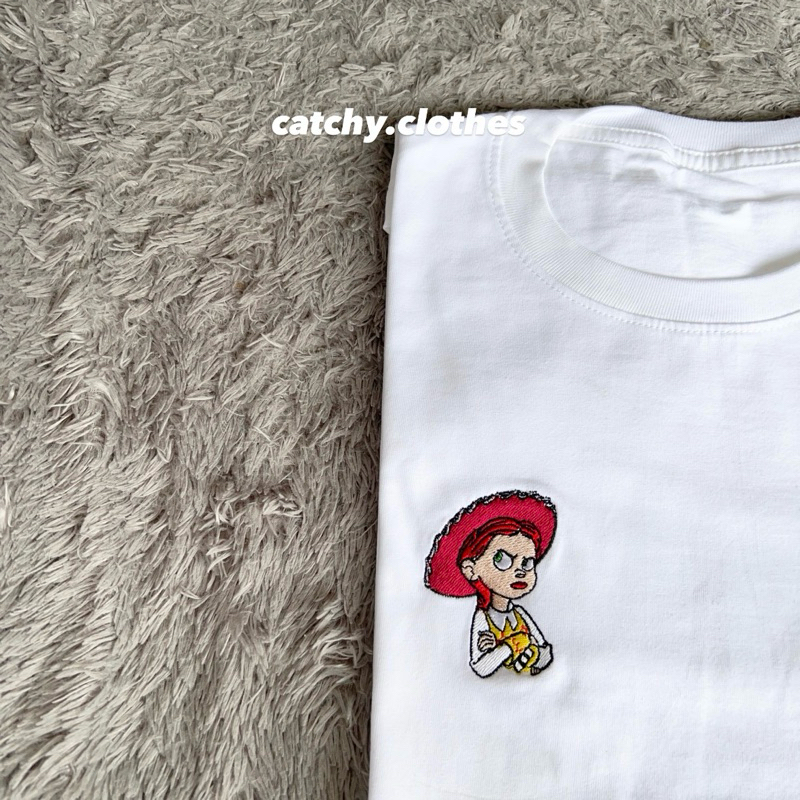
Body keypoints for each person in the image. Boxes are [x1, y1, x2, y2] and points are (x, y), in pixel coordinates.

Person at [424, 489, 557, 678]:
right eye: (502, 559)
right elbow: (481, 667)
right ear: (471, 569)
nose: (520, 571)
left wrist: (533, 657)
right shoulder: (483, 619)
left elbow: (545, 652)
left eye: (527, 563)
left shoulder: (519, 614)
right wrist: (510, 647)